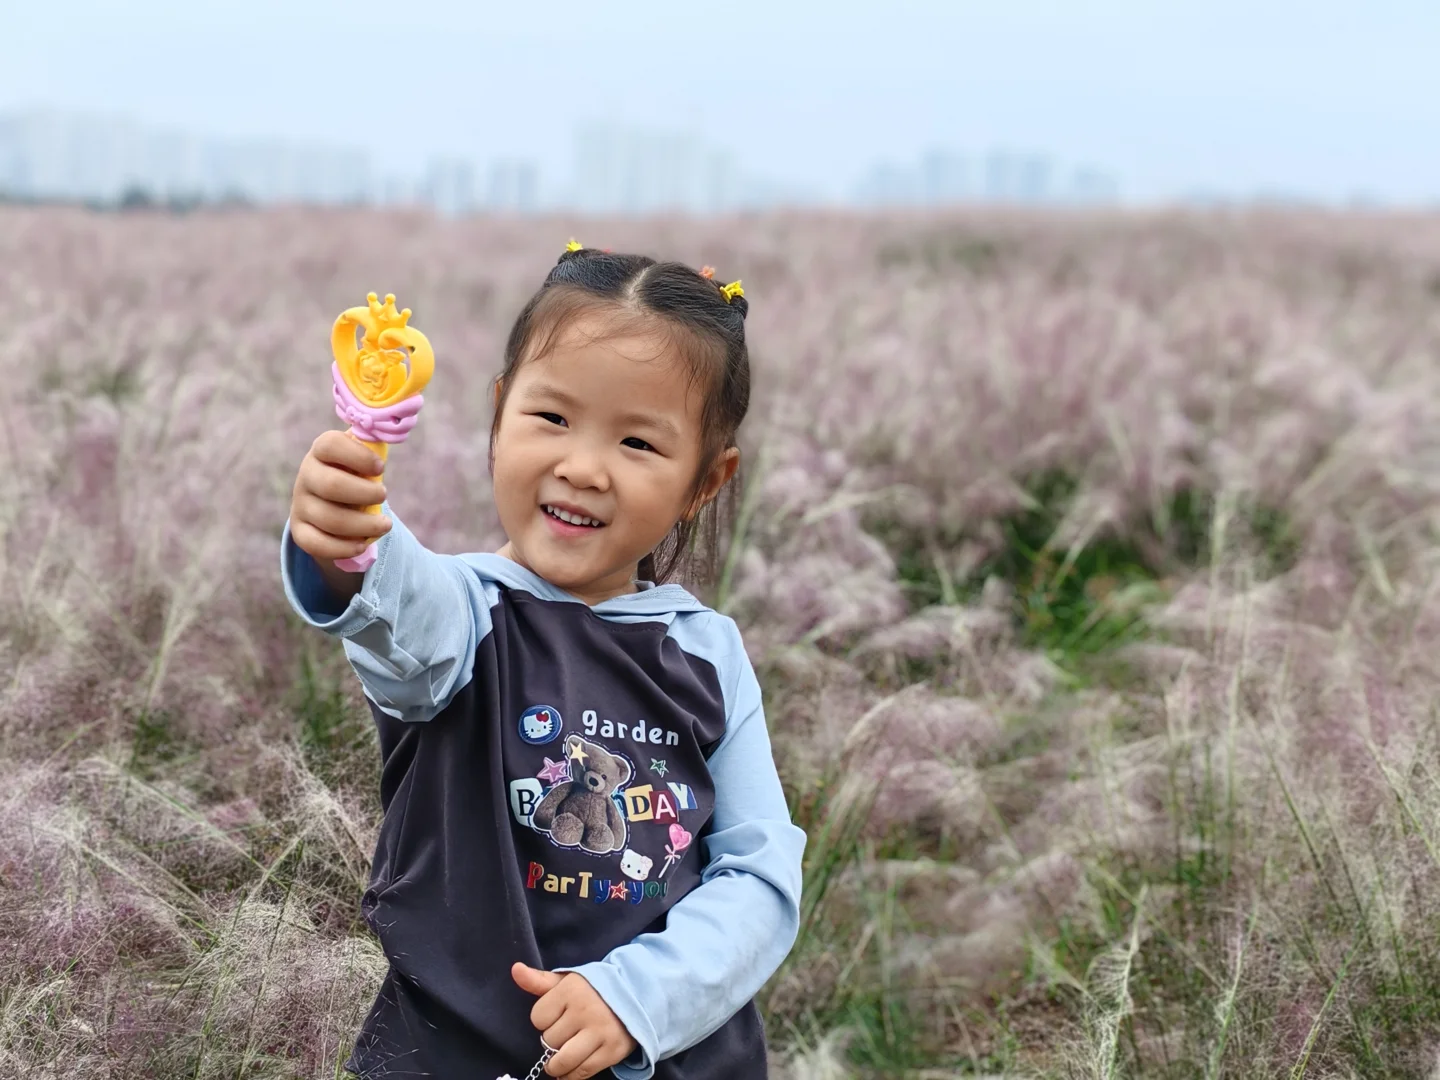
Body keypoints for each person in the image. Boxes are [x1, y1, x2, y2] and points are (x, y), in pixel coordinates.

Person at [280, 242, 806, 1080]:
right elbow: (397, 614)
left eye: (638, 442)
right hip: (452, 1052)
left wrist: (637, 998)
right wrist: (345, 540)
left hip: (673, 1056)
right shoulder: (467, 617)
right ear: (499, 414)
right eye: (551, 418)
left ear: (706, 481)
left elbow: (761, 877)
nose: (582, 466)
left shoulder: (709, 654)